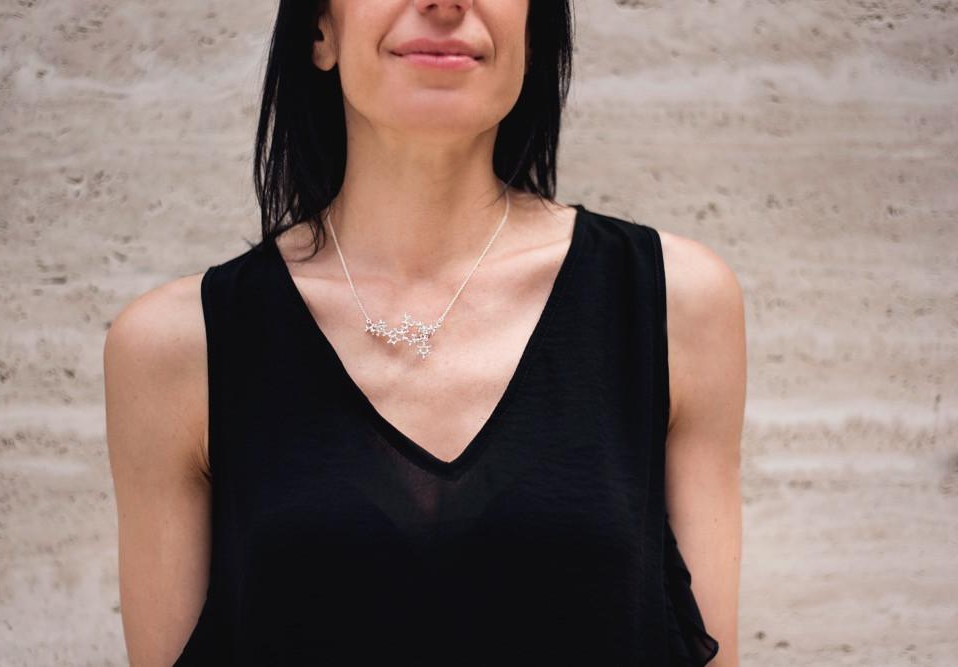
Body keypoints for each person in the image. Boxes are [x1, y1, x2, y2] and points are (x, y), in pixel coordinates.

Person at [103, 1, 745, 665]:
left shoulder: (674, 305)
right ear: (320, 29)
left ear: (533, 30)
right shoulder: (176, 351)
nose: (444, 1)